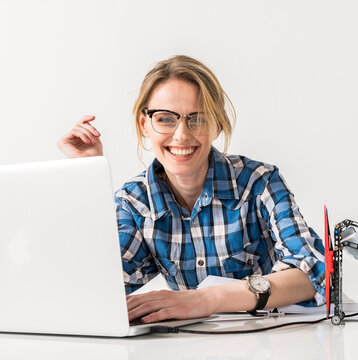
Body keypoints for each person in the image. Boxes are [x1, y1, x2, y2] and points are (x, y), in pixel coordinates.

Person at [58, 55, 325, 323]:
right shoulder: (134, 203)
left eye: (197, 119)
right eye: (165, 119)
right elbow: (94, 289)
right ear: (144, 124)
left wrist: (206, 298)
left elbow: (313, 272)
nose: (182, 135)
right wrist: (88, 176)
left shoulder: (259, 182)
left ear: (217, 125)